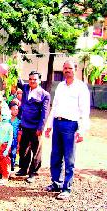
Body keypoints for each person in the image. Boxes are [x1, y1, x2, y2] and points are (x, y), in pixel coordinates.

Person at [44, 60, 90, 200]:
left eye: (70, 68)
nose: (67, 70)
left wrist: (82, 131)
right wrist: (49, 126)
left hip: (70, 125)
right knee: (56, 155)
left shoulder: (81, 87)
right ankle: (56, 183)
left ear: (75, 70)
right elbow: (55, 107)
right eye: (65, 68)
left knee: (69, 158)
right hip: (57, 124)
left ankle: (66, 188)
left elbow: (84, 110)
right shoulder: (60, 87)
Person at [16, 71, 50, 183]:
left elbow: (45, 113)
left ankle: (33, 173)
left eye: (34, 79)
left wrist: (40, 127)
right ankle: (23, 169)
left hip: (36, 127)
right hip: (25, 124)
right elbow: (18, 81)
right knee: (23, 149)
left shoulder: (44, 94)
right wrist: (14, 70)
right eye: (30, 79)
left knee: (36, 150)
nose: (32, 81)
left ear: (39, 80)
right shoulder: (26, 88)